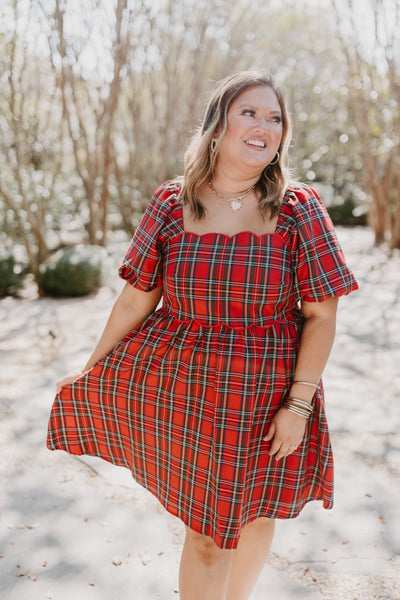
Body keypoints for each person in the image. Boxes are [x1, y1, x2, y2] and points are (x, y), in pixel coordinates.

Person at [47, 70, 358, 600]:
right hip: (189, 391)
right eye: (250, 113)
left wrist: (299, 405)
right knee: (210, 532)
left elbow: (322, 316)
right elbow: (136, 298)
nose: (264, 126)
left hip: (271, 392)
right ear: (217, 127)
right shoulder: (172, 203)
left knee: (258, 515)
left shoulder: (299, 208)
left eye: (275, 117)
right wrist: (92, 365)